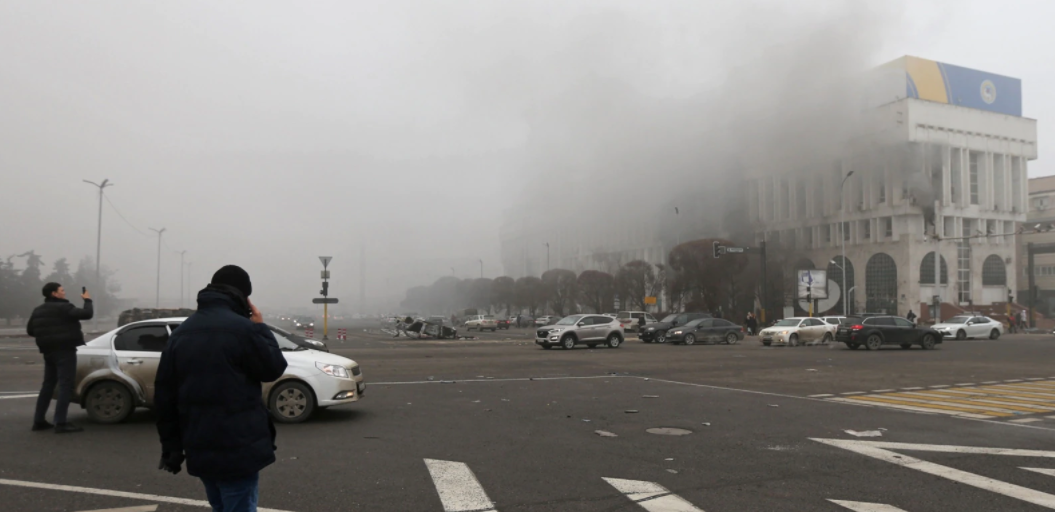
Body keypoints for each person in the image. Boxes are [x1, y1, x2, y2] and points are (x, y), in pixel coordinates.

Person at [155, 265, 288, 512]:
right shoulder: (243, 330)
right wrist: (260, 327)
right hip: (239, 447)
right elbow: (273, 368)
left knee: (219, 505)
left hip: (199, 444)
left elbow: (164, 397)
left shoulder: (181, 334)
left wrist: (171, 447)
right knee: (239, 504)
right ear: (243, 297)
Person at [27, 282, 93, 433]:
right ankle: (61, 422)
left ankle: (39, 421)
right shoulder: (65, 308)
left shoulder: (38, 310)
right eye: (62, 290)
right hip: (64, 351)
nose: (64, 292)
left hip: (48, 351)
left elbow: (31, 330)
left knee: (48, 385)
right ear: (54, 294)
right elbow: (87, 314)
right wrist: (87, 300)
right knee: (65, 385)